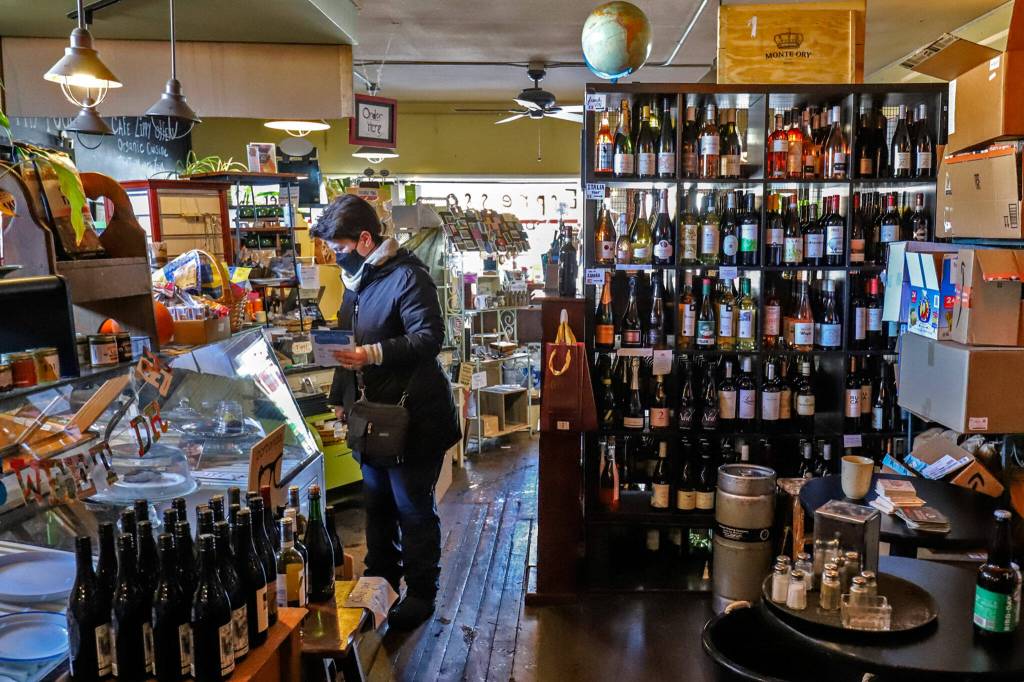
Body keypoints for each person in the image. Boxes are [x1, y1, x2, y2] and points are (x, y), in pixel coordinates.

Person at [313, 194, 461, 630]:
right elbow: (345, 343)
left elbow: (429, 338)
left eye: (339, 248)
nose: (336, 257)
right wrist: (341, 402)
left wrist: (371, 354)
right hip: (373, 419)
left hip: (414, 417)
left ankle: (421, 594)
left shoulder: (409, 279)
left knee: (412, 509)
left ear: (363, 239)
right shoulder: (358, 282)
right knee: (376, 505)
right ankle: (380, 584)